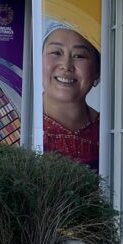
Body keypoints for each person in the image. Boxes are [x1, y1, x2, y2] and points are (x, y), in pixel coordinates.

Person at [41, 24, 99, 168]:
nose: (66, 65)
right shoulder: (16, 124)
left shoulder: (110, 131)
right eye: (56, 53)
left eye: (79, 56)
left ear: (97, 70)